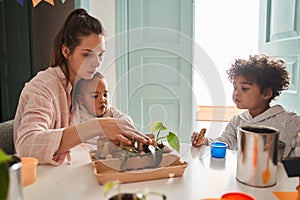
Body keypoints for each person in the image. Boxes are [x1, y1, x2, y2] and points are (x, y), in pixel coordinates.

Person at [13, 8, 151, 165]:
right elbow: (26, 145)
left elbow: (110, 115)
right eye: (87, 55)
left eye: (100, 54)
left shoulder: (84, 85)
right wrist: (97, 126)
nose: (96, 63)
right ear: (66, 51)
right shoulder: (42, 87)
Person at [191, 54, 300, 150]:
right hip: (245, 171)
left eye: (245, 88)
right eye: (235, 87)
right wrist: (204, 142)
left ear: (266, 93)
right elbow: (225, 143)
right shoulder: (237, 121)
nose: (236, 93)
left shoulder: (289, 121)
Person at [74, 72, 133, 157]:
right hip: (90, 153)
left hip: (111, 151)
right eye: (95, 96)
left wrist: (119, 126)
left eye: (105, 95)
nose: (102, 100)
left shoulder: (110, 111)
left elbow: (127, 121)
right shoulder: (79, 116)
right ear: (81, 100)